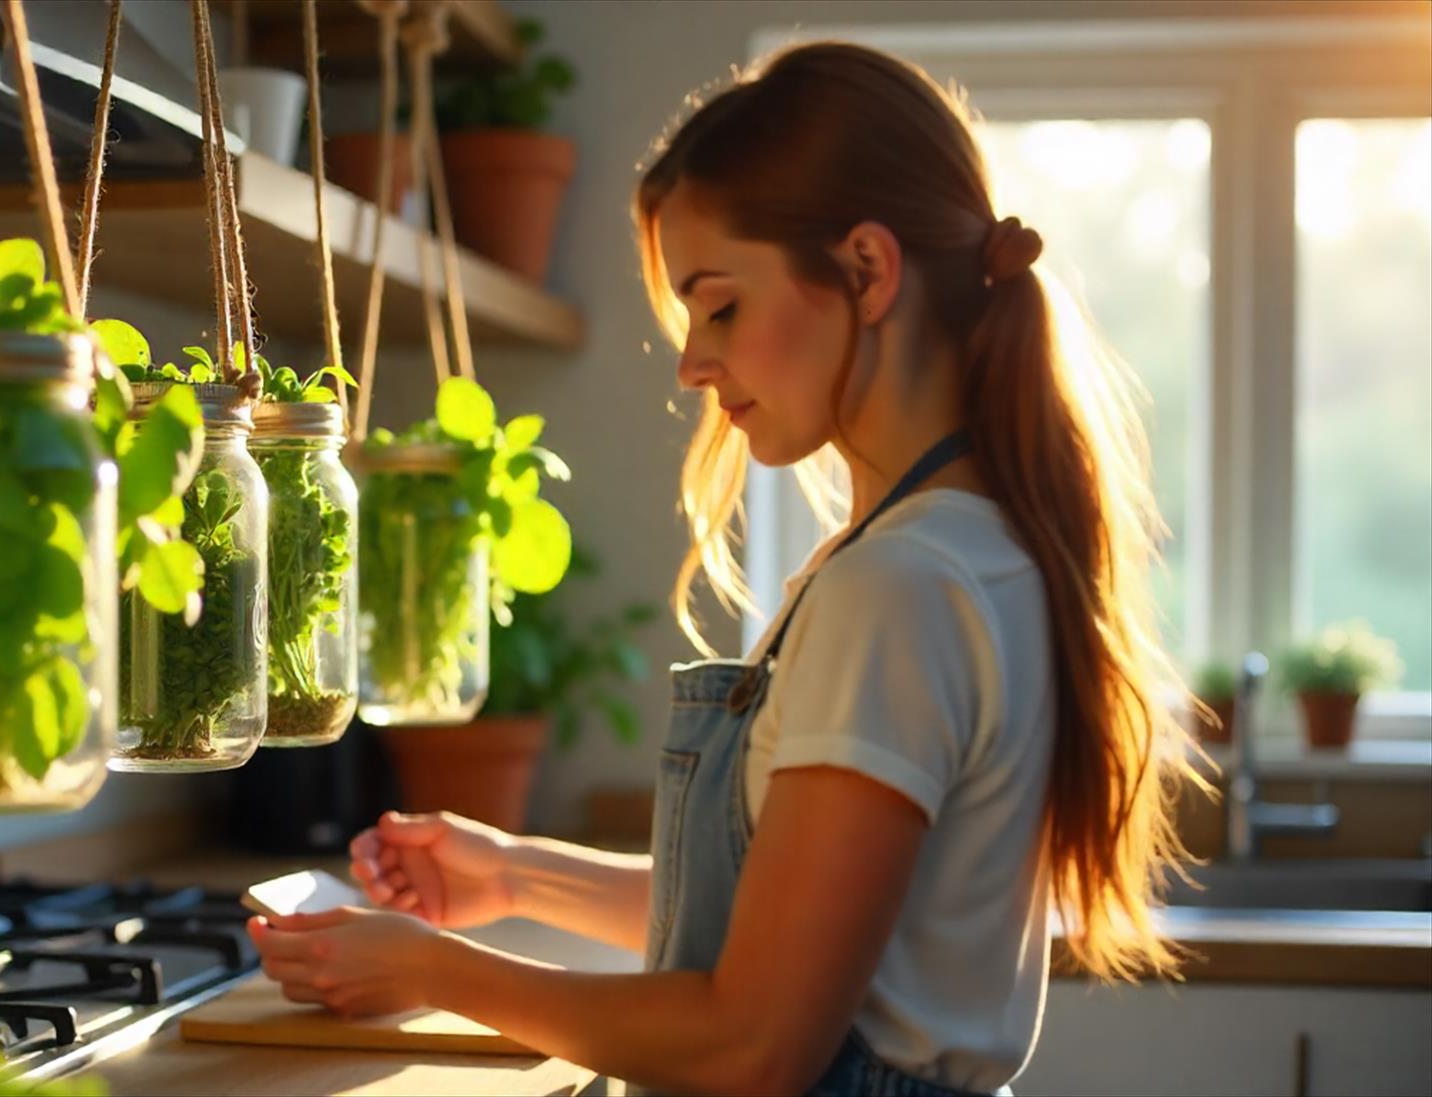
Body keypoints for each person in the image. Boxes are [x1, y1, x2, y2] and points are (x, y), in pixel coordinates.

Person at [248, 40, 1203, 1097]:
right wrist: (517, 872)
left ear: (868, 270)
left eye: (720, 305)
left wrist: (435, 968)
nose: (694, 362)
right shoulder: (962, 549)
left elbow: (753, 1044)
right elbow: (799, 911)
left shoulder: (902, 586)